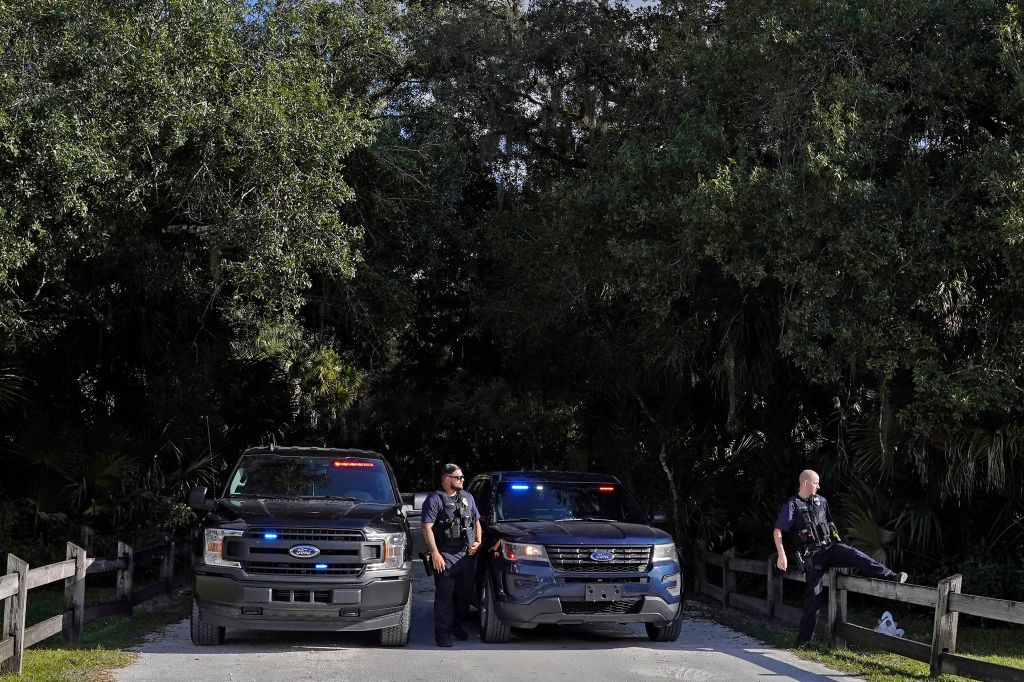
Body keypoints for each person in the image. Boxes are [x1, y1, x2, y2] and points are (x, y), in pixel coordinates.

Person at [772, 469, 907, 648]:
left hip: (831, 548)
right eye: (816, 482)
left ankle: (891, 576)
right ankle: (803, 642)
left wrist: (837, 544)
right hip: (812, 557)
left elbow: (829, 524)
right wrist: (781, 554)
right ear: (805, 483)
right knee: (813, 598)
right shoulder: (792, 505)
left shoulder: (822, 501)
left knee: (856, 554)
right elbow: (778, 531)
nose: (819, 486)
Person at [421, 463, 482, 647]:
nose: (462, 480)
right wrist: (435, 553)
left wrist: (478, 542)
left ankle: (456, 625)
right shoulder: (435, 499)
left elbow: (476, 521)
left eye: (462, 477)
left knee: (464, 598)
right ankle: (443, 634)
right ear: (447, 479)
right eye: (458, 477)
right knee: (444, 598)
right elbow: (426, 527)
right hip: (445, 555)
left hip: (465, 555)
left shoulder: (467, 497)